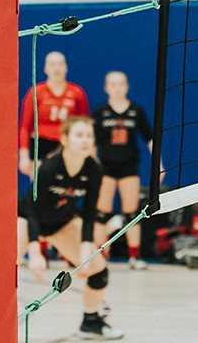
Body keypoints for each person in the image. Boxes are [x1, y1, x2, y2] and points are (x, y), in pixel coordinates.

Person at [24, 116, 122, 339]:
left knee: (98, 271)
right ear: (65, 139)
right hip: (28, 219)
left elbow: (89, 213)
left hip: (61, 223)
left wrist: (86, 251)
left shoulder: (93, 170)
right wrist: (34, 251)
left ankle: (90, 322)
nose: (85, 140)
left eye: (88, 136)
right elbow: (31, 209)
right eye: (78, 135)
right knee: (6, 272)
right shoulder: (49, 167)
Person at [91, 71, 153, 270]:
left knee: (132, 213)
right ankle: (100, 254)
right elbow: (91, 143)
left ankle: (134, 256)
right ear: (106, 87)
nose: (117, 88)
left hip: (129, 167)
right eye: (113, 84)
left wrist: (158, 165)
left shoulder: (136, 110)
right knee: (101, 213)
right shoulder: (100, 112)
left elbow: (150, 139)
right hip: (105, 168)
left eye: (121, 84)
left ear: (127, 86)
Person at [19, 51, 90, 174]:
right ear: (45, 68)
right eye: (52, 64)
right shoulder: (36, 92)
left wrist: (89, 150)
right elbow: (25, 127)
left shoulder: (77, 93)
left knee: (66, 186)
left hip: (68, 145)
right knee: (41, 185)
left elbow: (85, 124)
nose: (57, 68)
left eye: (60, 64)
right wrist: (23, 155)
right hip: (41, 144)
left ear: (66, 67)